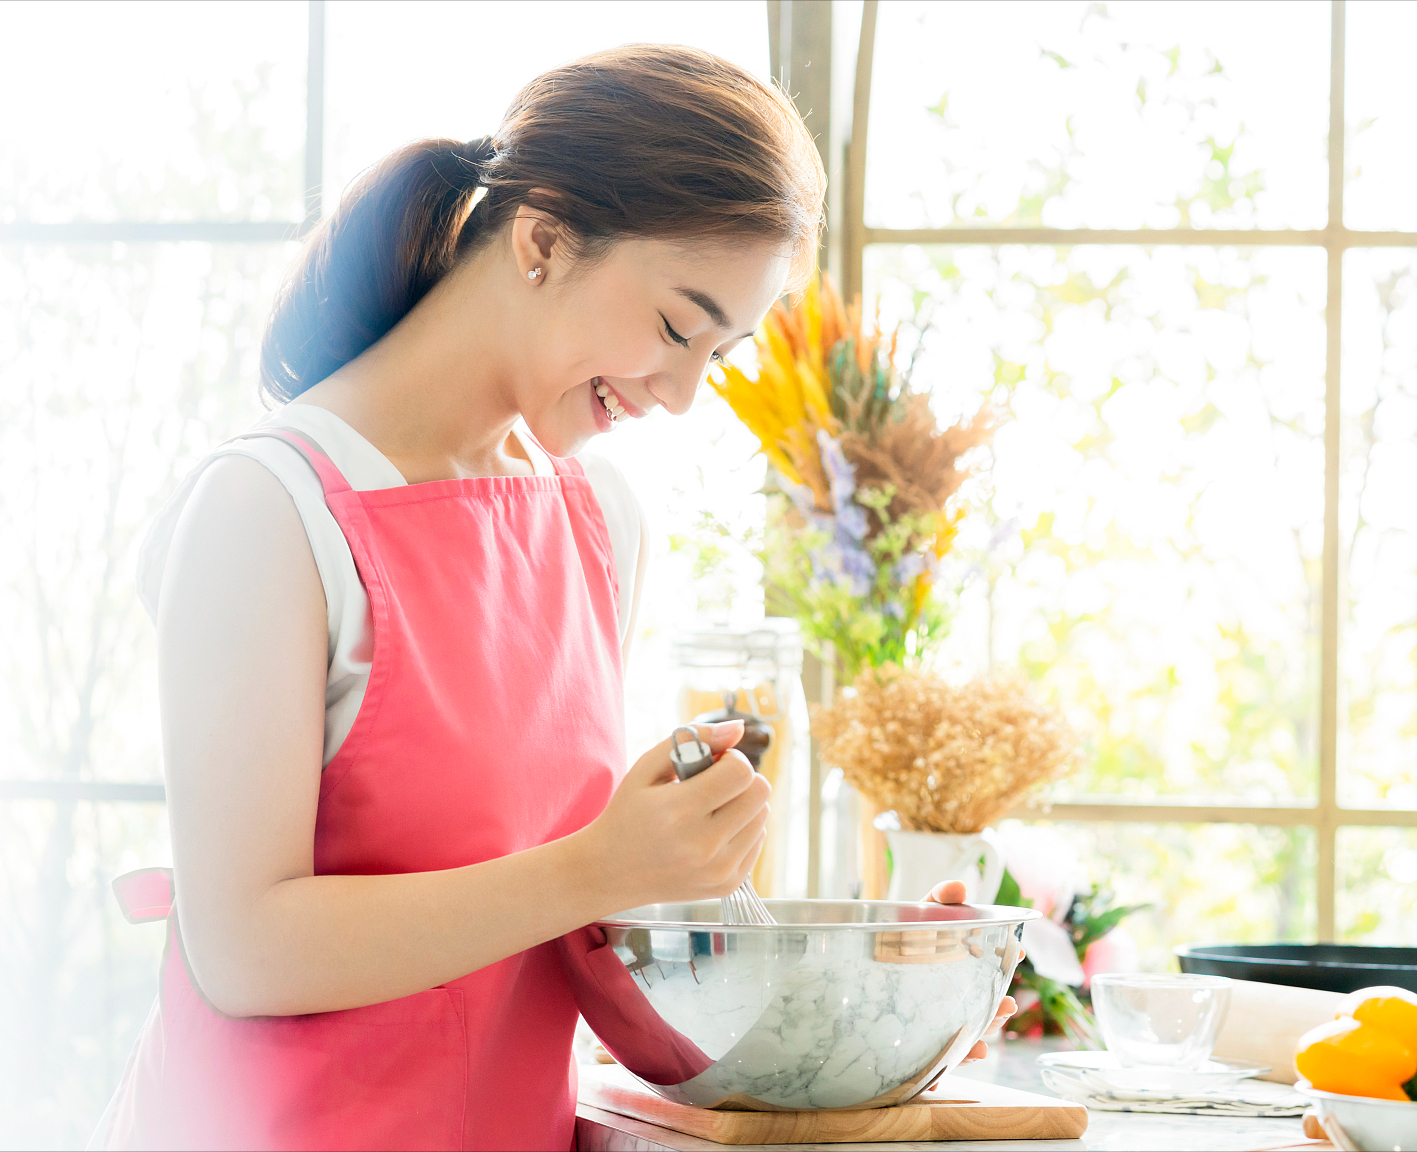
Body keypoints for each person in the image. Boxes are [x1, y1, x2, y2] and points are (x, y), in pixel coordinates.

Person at [97, 45, 1011, 1151]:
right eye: (679, 327)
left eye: (716, 357)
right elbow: (243, 950)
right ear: (541, 239)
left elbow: (557, 938)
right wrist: (601, 865)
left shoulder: (594, 520)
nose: (679, 396)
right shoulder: (267, 508)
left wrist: (886, 1012)